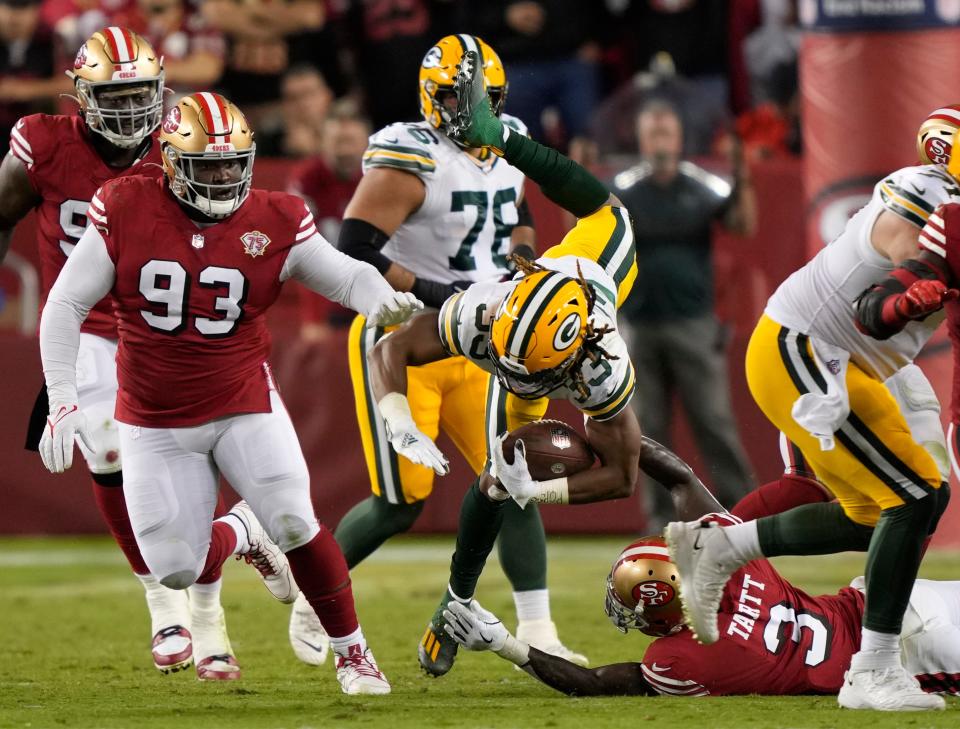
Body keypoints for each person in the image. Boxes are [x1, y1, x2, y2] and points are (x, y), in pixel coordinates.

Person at [35, 90, 422, 694]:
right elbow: (64, 303)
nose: (221, 177)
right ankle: (244, 531)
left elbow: (345, 275)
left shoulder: (276, 216)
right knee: (175, 567)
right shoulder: (124, 204)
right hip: (153, 417)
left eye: (231, 163)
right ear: (168, 162)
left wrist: (379, 298)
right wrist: (62, 398)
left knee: (296, 520)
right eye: (206, 165)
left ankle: (354, 652)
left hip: (243, 400)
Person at [665, 105, 960, 711]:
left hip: (854, 364)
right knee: (916, 496)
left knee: (882, 511)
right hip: (805, 352)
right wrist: (915, 297)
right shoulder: (928, 203)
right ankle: (871, 671)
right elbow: (880, 303)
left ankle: (723, 547)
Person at [366, 49, 643, 678]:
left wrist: (541, 489)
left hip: (588, 301)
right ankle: (458, 602)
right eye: (505, 360)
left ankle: (467, 606)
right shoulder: (485, 313)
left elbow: (623, 476)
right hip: (534, 313)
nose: (513, 372)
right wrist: (395, 414)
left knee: (516, 480)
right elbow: (394, 348)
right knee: (498, 468)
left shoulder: (601, 362)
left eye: (528, 369)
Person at [332, 33, 584, 668]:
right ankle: (317, 601)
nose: (466, 107)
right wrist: (437, 288)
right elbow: (355, 246)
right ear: (429, 94)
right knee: (401, 503)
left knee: (514, 479)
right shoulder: (408, 151)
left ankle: (540, 628)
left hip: (479, 341)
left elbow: (519, 211)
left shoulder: (508, 141)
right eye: (454, 94)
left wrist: (523, 261)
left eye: (480, 97)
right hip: (409, 335)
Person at [0, 27, 243, 680]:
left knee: (194, 469)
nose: (132, 108)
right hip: (83, 329)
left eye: (141, 92)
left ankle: (228, 564)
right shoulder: (45, 145)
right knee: (109, 450)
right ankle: (162, 602)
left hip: (166, 326)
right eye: (115, 94)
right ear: (81, 96)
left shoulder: (182, 139)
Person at [443, 437, 960, 698]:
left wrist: (503, 644)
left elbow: (595, 683)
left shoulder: (682, 657)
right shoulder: (729, 562)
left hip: (898, 655)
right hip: (882, 598)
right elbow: (680, 477)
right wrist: (608, 428)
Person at [615, 99, 756, 529]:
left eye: (666, 130)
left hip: (693, 322)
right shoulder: (624, 187)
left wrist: (743, 175)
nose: (660, 138)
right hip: (638, 322)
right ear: (641, 139)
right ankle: (661, 520)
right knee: (648, 431)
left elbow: (743, 225)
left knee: (714, 422)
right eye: (652, 130)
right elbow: (585, 229)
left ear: (678, 139)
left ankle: (745, 512)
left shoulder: (703, 186)